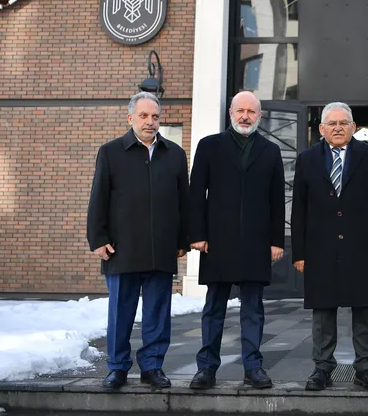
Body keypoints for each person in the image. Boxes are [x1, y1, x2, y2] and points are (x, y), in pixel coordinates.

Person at [86, 91, 189, 390]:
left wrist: (183, 239)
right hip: (122, 249)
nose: (150, 122)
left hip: (161, 249)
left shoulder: (175, 154)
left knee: (158, 313)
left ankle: (152, 367)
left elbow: (184, 201)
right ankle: (117, 368)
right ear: (130, 117)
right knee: (121, 313)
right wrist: (98, 238)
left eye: (155, 116)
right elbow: (98, 198)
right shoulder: (110, 152)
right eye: (143, 116)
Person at [291, 103, 368, 392]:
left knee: (364, 311)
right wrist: (299, 252)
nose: (338, 128)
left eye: (343, 123)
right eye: (332, 123)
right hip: (320, 248)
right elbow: (299, 210)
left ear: (353, 127)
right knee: (323, 312)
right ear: (321, 129)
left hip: (364, 247)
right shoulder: (307, 159)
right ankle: (322, 368)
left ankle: (366, 369)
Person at [188, 91, 285, 390]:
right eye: (240, 110)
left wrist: (277, 240)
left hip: (256, 242)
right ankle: (206, 369)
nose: (245, 116)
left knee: (253, 309)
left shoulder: (271, 151)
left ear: (260, 116)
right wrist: (197, 234)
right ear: (230, 113)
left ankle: (253, 367)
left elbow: (277, 199)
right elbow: (196, 193)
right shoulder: (209, 146)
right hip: (217, 241)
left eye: (251, 112)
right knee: (214, 308)